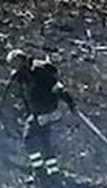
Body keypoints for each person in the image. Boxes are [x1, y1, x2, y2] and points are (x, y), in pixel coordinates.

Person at [6, 49, 76, 178]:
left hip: (45, 111)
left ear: (22, 60)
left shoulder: (38, 70)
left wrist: (69, 102)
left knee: (29, 139)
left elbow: (57, 86)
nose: (14, 68)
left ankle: (39, 171)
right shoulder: (25, 72)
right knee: (44, 141)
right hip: (39, 111)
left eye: (15, 64)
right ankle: (53, 171)